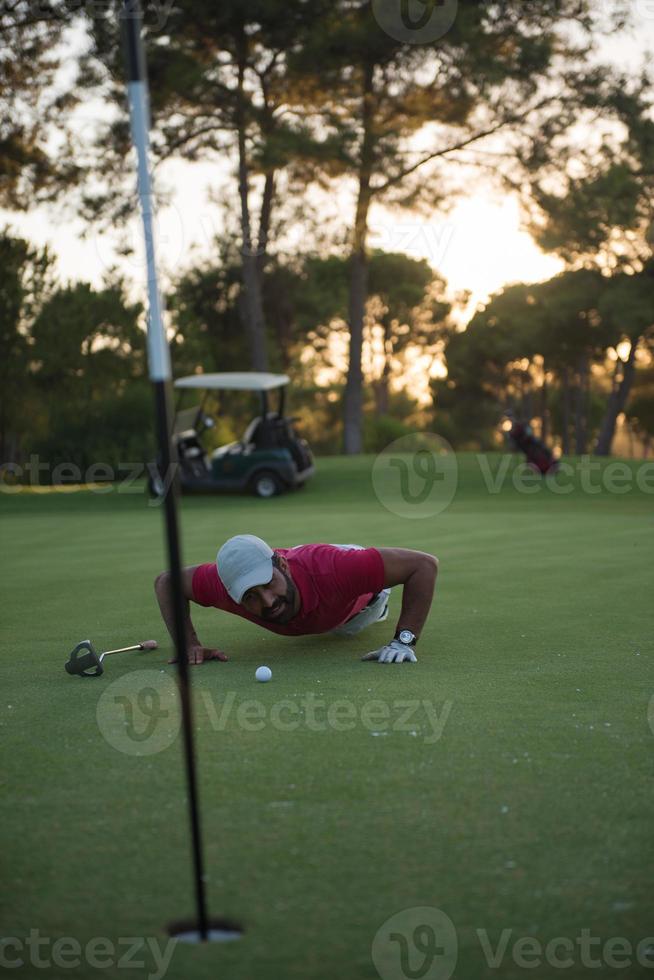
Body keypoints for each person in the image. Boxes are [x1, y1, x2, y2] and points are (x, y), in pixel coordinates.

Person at [154, 535, 439, 665]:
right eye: (250, 596)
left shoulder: (337, 569)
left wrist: (404, 640)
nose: (266, 602)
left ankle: (378, 607)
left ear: (282, 566)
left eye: (267, 583)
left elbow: (424, 565)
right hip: (310, 578)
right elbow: (166, 582)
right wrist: (188, 644)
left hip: (358, 600)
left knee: (350, 627)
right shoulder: (221, 586)